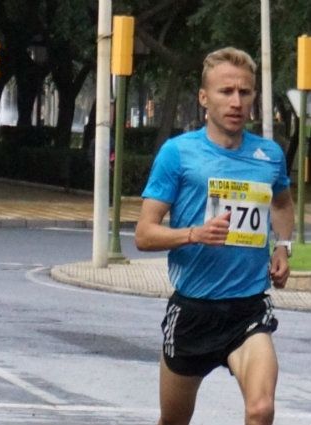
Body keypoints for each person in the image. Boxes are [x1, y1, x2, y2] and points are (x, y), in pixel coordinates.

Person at [134, 47, 294, 425]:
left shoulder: (269, 154)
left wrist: (283, 248)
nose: (236, 101)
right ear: (204, 98)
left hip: (248, 308)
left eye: (245, 92)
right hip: (193, 310)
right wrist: (194, 234)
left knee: (261, 409)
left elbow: (283, 204)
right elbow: (144, 233)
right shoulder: (178, 154)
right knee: (174, 420)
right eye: (226, 92)